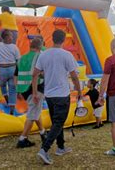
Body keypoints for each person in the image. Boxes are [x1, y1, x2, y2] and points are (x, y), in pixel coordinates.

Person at [32, 30, 82, 165]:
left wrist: (35, 92)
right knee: (58, 123)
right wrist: (79, 91)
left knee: (56, 122)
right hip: (61, 95)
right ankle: (44, 149)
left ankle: (61, 147)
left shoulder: (44, 55)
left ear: (52, 39)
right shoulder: (67, 55)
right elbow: (74, 76)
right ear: (64, 39)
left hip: (49, 95)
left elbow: (35, 74)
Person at [16, 38, 47, 148]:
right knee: (32, 114)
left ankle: (43, 132)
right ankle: (22, 139)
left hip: (24, 89)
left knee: (35, 111)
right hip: (36, 88)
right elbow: (38, 74)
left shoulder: (21, 58)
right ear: (40, 47)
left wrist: (17, 90)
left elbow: (16, 74)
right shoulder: (39, 57)